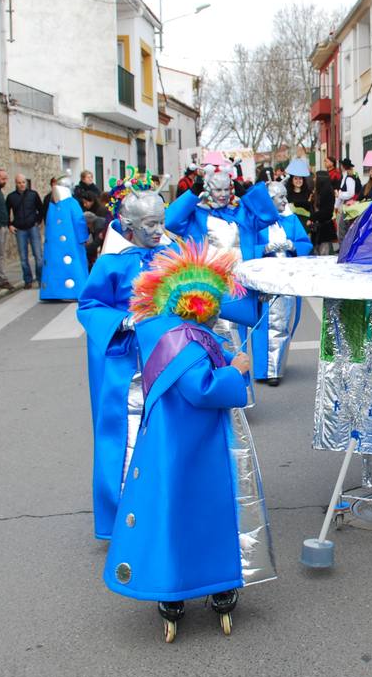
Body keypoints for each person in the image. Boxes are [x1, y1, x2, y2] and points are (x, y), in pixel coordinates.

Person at [103, 242, 277, 643]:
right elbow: (202, 389)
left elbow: (190, 368)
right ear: (202, 307)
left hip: (167, 440)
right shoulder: (185, 338)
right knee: (204, 508)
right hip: (196, 444)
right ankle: (208, 581)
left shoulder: (161, 330)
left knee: (168, 507)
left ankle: (173, 583)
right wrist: (234, 371)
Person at [77, 191, 178, 541]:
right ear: (128, 225)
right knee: (126, 436)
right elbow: (89, 306)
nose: (157, 230)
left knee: (170, 431)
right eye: (150, 224)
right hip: (129, 363)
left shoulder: (173, 255)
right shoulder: (111, 263)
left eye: (161, 222)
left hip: (169, 356)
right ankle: (123, 516)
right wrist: (124, 322)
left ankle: (167, 507)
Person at [164, 165, 278, 348]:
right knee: (217, 339)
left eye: (226, 189)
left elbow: (269, 216)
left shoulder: (241, 212)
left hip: (239, 286)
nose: (223, 194)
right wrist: (192, 194)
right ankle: (225, 375)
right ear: (208, 189)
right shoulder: (197, 215)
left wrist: (249, 194)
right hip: (207, 286)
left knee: (237, 340)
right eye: (218, 189)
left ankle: (237, 374)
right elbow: (170, 221)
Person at [248, 182, 314, 386]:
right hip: (264, 279)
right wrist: (264, 248)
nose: (285, 201)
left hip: (287, 278)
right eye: (281, 197)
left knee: (283, 322)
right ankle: (265, 369)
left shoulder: (291, 219)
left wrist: (293, 245)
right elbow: (246, 245)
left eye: (285, 196)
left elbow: (305, 243)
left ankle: (275, 367)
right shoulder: (256, 221)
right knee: (263, 324)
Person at [39, 178, 89, 301]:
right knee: (73, 265)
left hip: (54, 246)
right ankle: (74, 291)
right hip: (71, 244)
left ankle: (52, 292)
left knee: (55, 265)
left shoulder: (53, 205)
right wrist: (83, 237)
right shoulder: (72, 203)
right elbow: (79, 222)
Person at [6, 173, 44, 289]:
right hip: (19, 229)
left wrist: (38, 221)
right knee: (23, 258)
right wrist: (9, 225)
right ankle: (27, 280)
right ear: (16, 184)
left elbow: (41, 209)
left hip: (32, 227)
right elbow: (6, 211)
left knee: (38, 256)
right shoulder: (11, 197)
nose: (21, 185)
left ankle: (40, 279)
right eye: (19, 183)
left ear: (26, 183)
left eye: (23, 182)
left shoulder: (33, 195)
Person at [311, 163, 339, 255]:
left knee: (324, 255)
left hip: (325, 229)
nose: (314, 179)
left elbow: (326, 212)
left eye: (316, 177)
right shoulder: (319, 192)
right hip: (320, 228)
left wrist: (312, 217)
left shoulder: (327, 193)